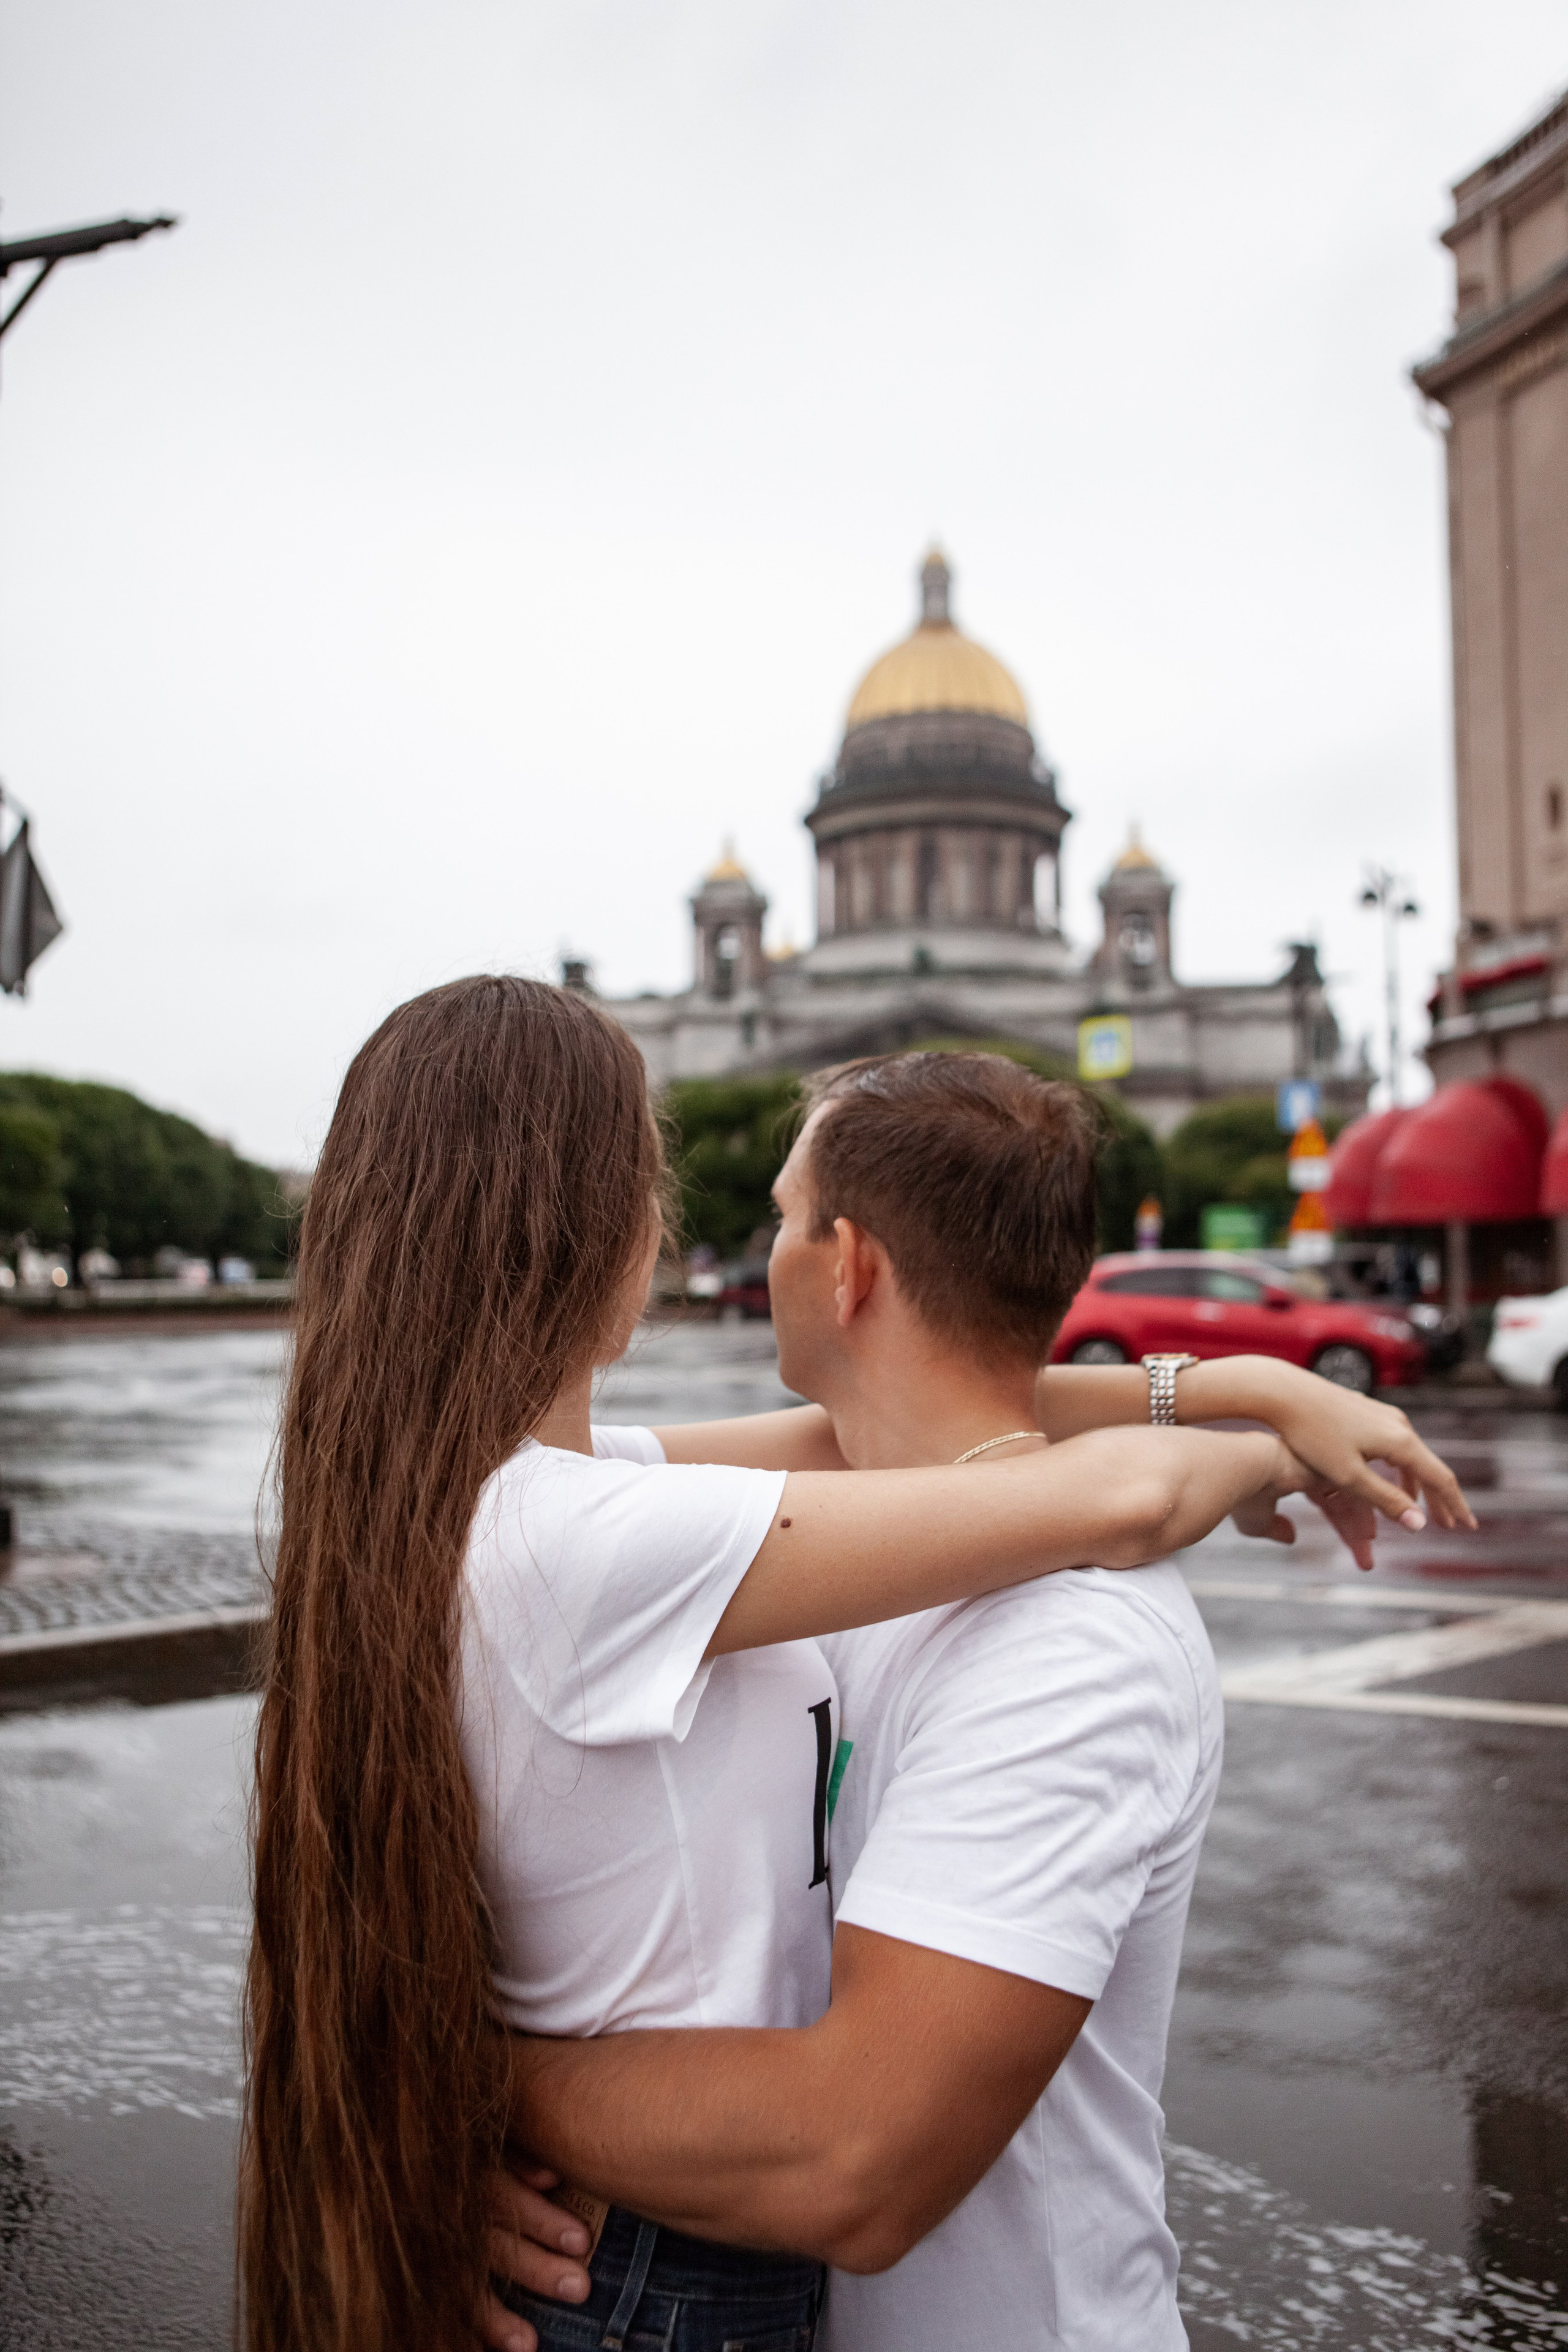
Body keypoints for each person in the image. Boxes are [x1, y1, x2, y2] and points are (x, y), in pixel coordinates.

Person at [240, 983, 1351, 2352]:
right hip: (663, 2269)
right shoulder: (592, 1537)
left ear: (846, 1270)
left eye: (776, 1215)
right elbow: (1112, 1497)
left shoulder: (487, 1499)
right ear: (616, 1236)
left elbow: (866, 1439)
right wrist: (1266, 1429)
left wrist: (1224, 1388)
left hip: (655, 2248)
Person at [483, 1051, 1474, 2352]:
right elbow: (924, 1425)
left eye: (783, 1220)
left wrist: (470, 2087)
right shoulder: (848, 1540)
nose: (755, 1246)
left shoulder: (1066, 1641)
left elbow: (855, 2158)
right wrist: (1240, 1393)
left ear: (846, 1268)